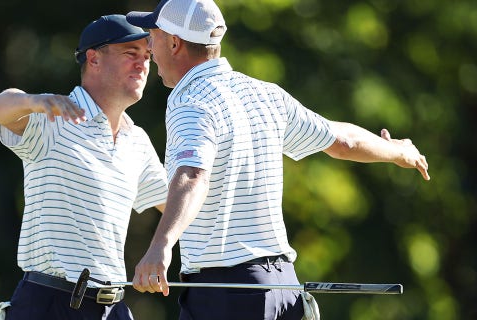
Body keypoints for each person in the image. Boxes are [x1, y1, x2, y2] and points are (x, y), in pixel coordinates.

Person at [124, 1, 431, 319]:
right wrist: (398, 151)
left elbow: (192, 175)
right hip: (284, 287)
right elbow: (343, 141)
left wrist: (161, 245)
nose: (149, 46)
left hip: (227, 294)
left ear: (174, 42)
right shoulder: (264, 94)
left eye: (153, 35)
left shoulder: (190, 101)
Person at [0, 14, 168, 320]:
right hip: (50, 303)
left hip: (113, 308)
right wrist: (34, 101)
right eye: (130, 54)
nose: (142, 64)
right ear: (93, 59)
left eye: (147, 56)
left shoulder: (136, 140)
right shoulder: (53, 116)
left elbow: (177, 206)